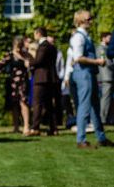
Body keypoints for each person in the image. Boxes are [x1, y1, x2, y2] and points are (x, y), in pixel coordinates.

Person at [69, 10, 112, 149]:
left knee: (95, 106)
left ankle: (101, 137)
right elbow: (78, 58)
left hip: (89, 73)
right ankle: (81, 139)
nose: (91, 21)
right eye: (89, 19)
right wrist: (97, 61)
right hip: (83, 74)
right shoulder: (78, 37)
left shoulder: (85, 36)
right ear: (81, 21)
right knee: (84, 106)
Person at [0, 36, 32, 136]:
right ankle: (16, 127)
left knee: (24, 103)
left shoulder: (26, 55)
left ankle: (26, 126)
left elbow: (32, 65)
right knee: (14, 105)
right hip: (13, 83)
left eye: (20, 46)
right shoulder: (10, 55)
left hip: (23, 82)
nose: (19, 49)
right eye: (17, 46)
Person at [28, 26, 59, 137]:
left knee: (37, 103)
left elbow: (38, 61)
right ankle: (53, 128)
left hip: (41, 78)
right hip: (50, 78)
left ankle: (35, 128)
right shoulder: (52, 47)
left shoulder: (43, 46)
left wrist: (29, 58)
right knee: (49, 104)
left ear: (38, 34)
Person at [97, 32, 113, 125]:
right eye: (109, 38)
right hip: (106, 76)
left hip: (109, 76)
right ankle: (102, 119)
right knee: (105, 99)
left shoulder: (106, 48)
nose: (110, 40)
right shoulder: (101, 48)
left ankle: (107, 118)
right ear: (103, 38)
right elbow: (106, 62)